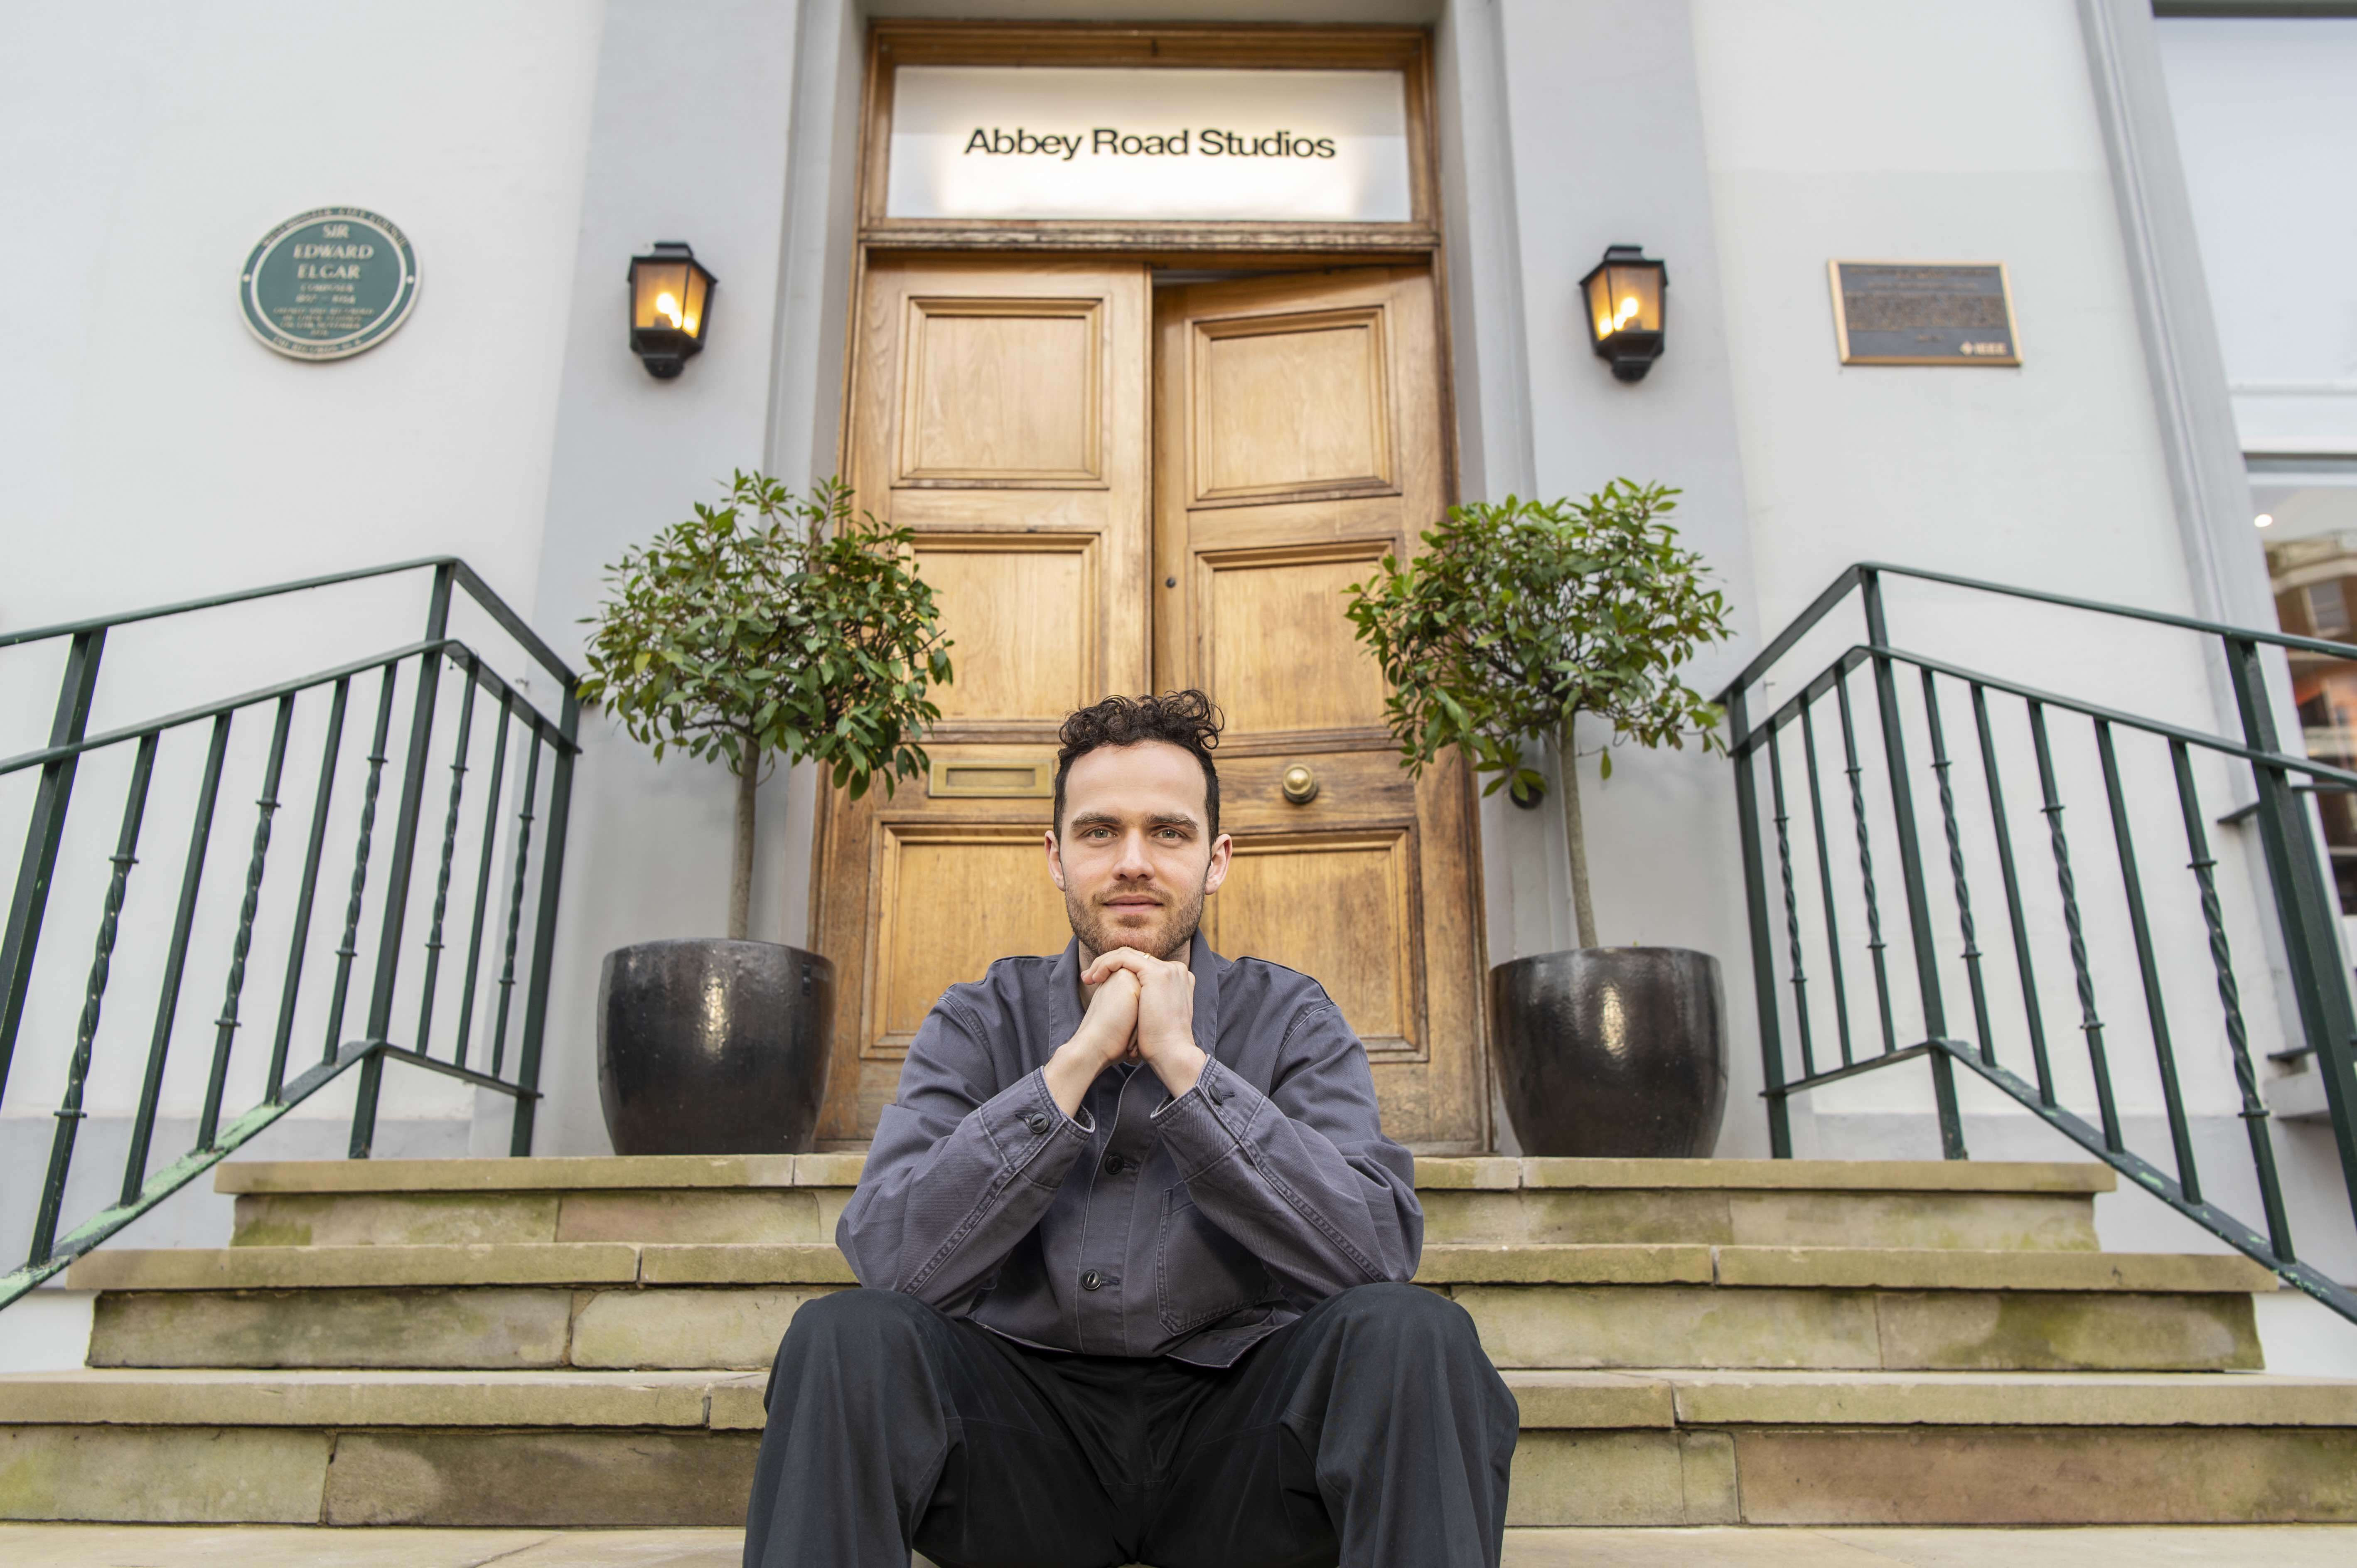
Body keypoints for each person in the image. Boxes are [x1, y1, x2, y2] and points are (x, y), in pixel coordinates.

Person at [742, 691, 1518, 1568]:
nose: (1133, 863)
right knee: (842, 1335)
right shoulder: (977, 1019)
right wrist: (1073, 1066)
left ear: (1216, 860)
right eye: (1100, 831)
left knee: (1417, 1333)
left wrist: (1187, 1068)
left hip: (1244, 1450)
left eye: (1169, 832)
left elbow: (1374, 1254)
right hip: (1018, 1449)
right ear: (1056, 856)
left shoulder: (1292, 1018)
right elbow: (889, 1261)